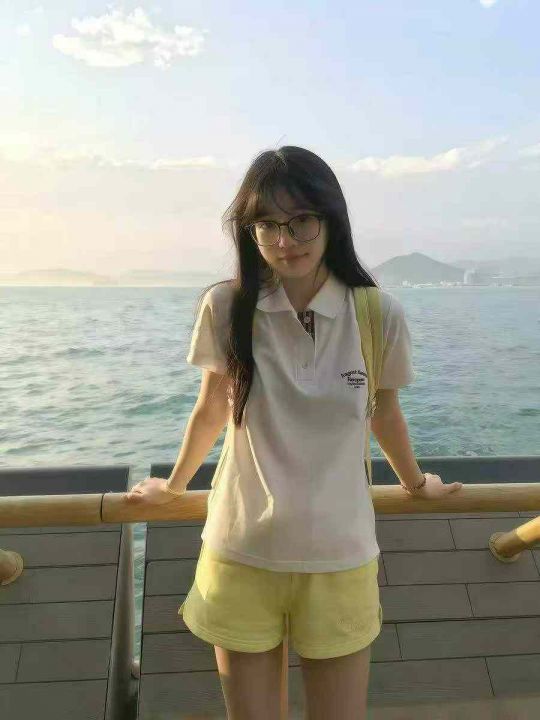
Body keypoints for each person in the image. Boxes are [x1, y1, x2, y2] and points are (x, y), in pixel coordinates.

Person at [126, 146, 462, 720]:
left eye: (301, 220)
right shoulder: (228, 306)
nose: (285, 240)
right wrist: (174, 486)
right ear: (249, 230)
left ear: (331, 219)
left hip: (340, 554)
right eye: (267, 224)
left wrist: (415, 483)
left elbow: (384, 413)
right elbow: (211, 408)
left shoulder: (377, 314)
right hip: (241, 550)